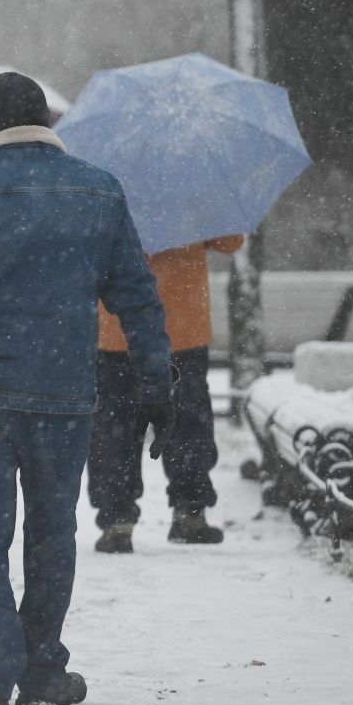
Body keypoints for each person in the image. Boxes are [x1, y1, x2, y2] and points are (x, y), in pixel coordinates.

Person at [0, 72, 169, 705]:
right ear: (47, 121)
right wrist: (156, 376)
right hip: (65, 389)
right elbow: (136, 294)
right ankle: (42, 667)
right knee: (52, 529)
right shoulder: (98, 188)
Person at [88, 235, 243, 552]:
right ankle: (190, 512)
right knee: (187, 423)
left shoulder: (109, 191)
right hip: (181, 326)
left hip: (118, 326)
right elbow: (231, 241)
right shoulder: (193, 190)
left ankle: (117, 520)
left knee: (114, 429)